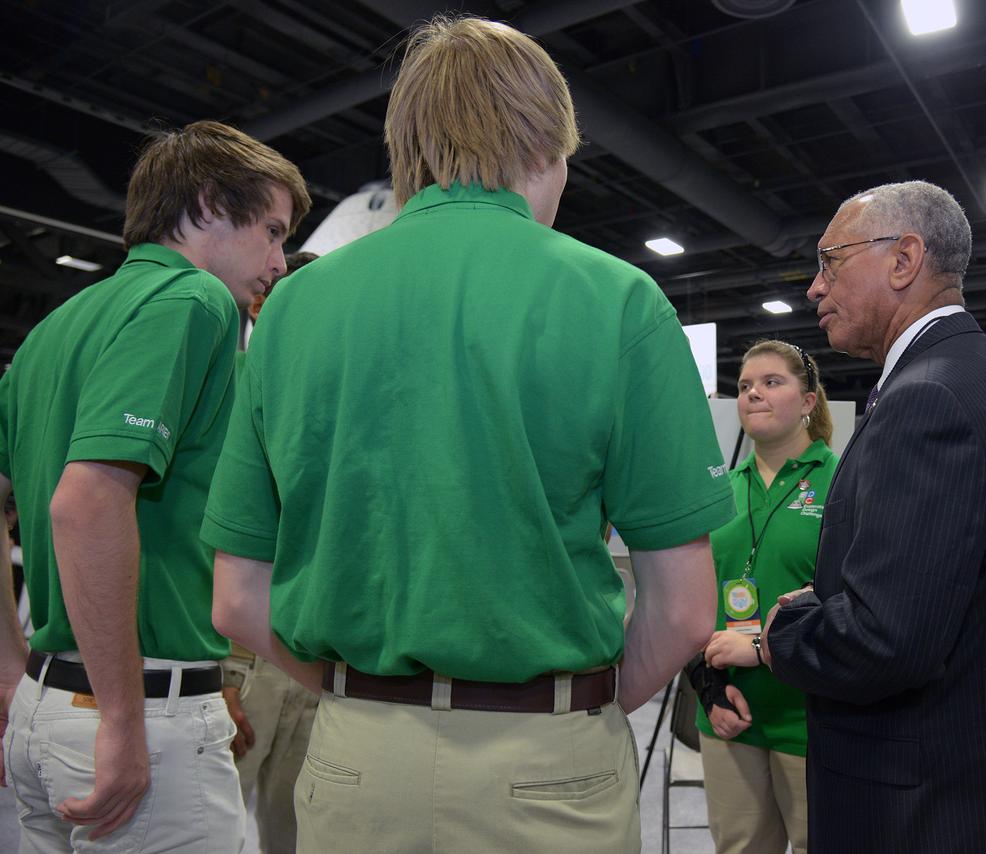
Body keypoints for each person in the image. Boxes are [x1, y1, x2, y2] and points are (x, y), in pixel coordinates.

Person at [200, 16, 733, 854]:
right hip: (549, 768)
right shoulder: (619, 299)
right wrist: (578, 703)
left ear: (405, 145)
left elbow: (237, 597)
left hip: (353, 763)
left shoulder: (293, 307)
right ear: (549, 144)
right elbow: (686, 607)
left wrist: (356, 689)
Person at [0, 119, 309, 852]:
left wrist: (10, 675)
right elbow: (86, 501)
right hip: (135, 703)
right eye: (270, 230)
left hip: (43, 706)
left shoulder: (55, 328)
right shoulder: (197, 302)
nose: (280, 260)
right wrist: (122, 717)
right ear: (205, 205)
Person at [763, 181, 986, 852]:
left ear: (904, 259)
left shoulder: (928, 398)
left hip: (932, 806)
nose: (814, 289)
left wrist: (788, 629)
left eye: (831, 261)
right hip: (984, 784)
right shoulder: (976, 377)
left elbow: (886, 643)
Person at [693, 340, 836, 854]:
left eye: (772, 382)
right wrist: (706, 686)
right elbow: (689, 600)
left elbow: (857, 598)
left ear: (808, 401)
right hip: (730, 713)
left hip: (814, 716)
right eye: (745, 386)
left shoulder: (843, 482)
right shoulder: (719, 490)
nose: (754, 393)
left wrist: (759, 649)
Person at [220, 249, 320, 854]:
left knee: (301, 831)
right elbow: (216, 548)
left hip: (312, 663)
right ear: (262, 307)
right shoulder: (232, 392)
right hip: (246, 661)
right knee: (220, 826)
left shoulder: (331, 402)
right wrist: (224, 676)